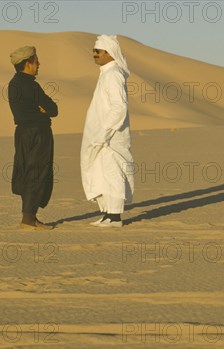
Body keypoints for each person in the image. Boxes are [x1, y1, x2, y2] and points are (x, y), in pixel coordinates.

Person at [81, 35, 135, 228]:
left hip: (110, 137)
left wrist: (104, 132)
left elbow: (118, 107)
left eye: (98, 51)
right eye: (94, 50)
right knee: (100, 173)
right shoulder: (106, 73)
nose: (94, 54)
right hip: (101, 135)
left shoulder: (113, 74)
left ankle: (115, 217)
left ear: (109, 53)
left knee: (112, 174)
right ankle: (107, 214)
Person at [8, 46, 58, 230]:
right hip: (38, 134)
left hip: (22, 133)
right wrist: (44, 111)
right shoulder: (31, 85)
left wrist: (43, 109)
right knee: (36, 173)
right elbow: (53, 109)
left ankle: (30, 217)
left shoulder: (13, 84)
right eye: (36, 61)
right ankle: (28, 220)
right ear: (27, 64)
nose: (39, 65)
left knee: (27, 171)